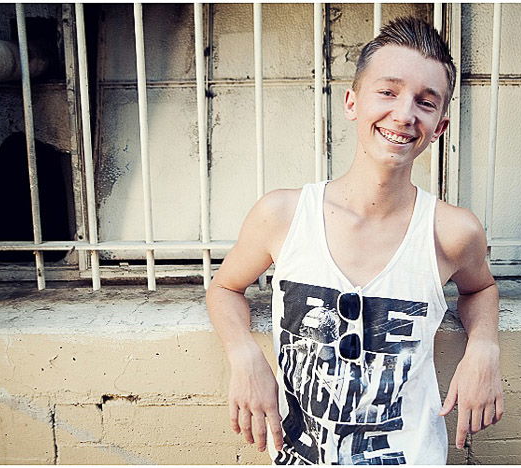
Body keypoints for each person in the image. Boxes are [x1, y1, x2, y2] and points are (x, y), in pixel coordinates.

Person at [206, 16, 503, 465]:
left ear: (439, 126)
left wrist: (484, 345)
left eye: (426, 102)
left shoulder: (451, 231)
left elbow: (480, 288)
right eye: (388, 91)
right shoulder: (283, 215)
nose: (404, 114)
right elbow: (225, 288)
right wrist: (243, 352)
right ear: (351, 102)